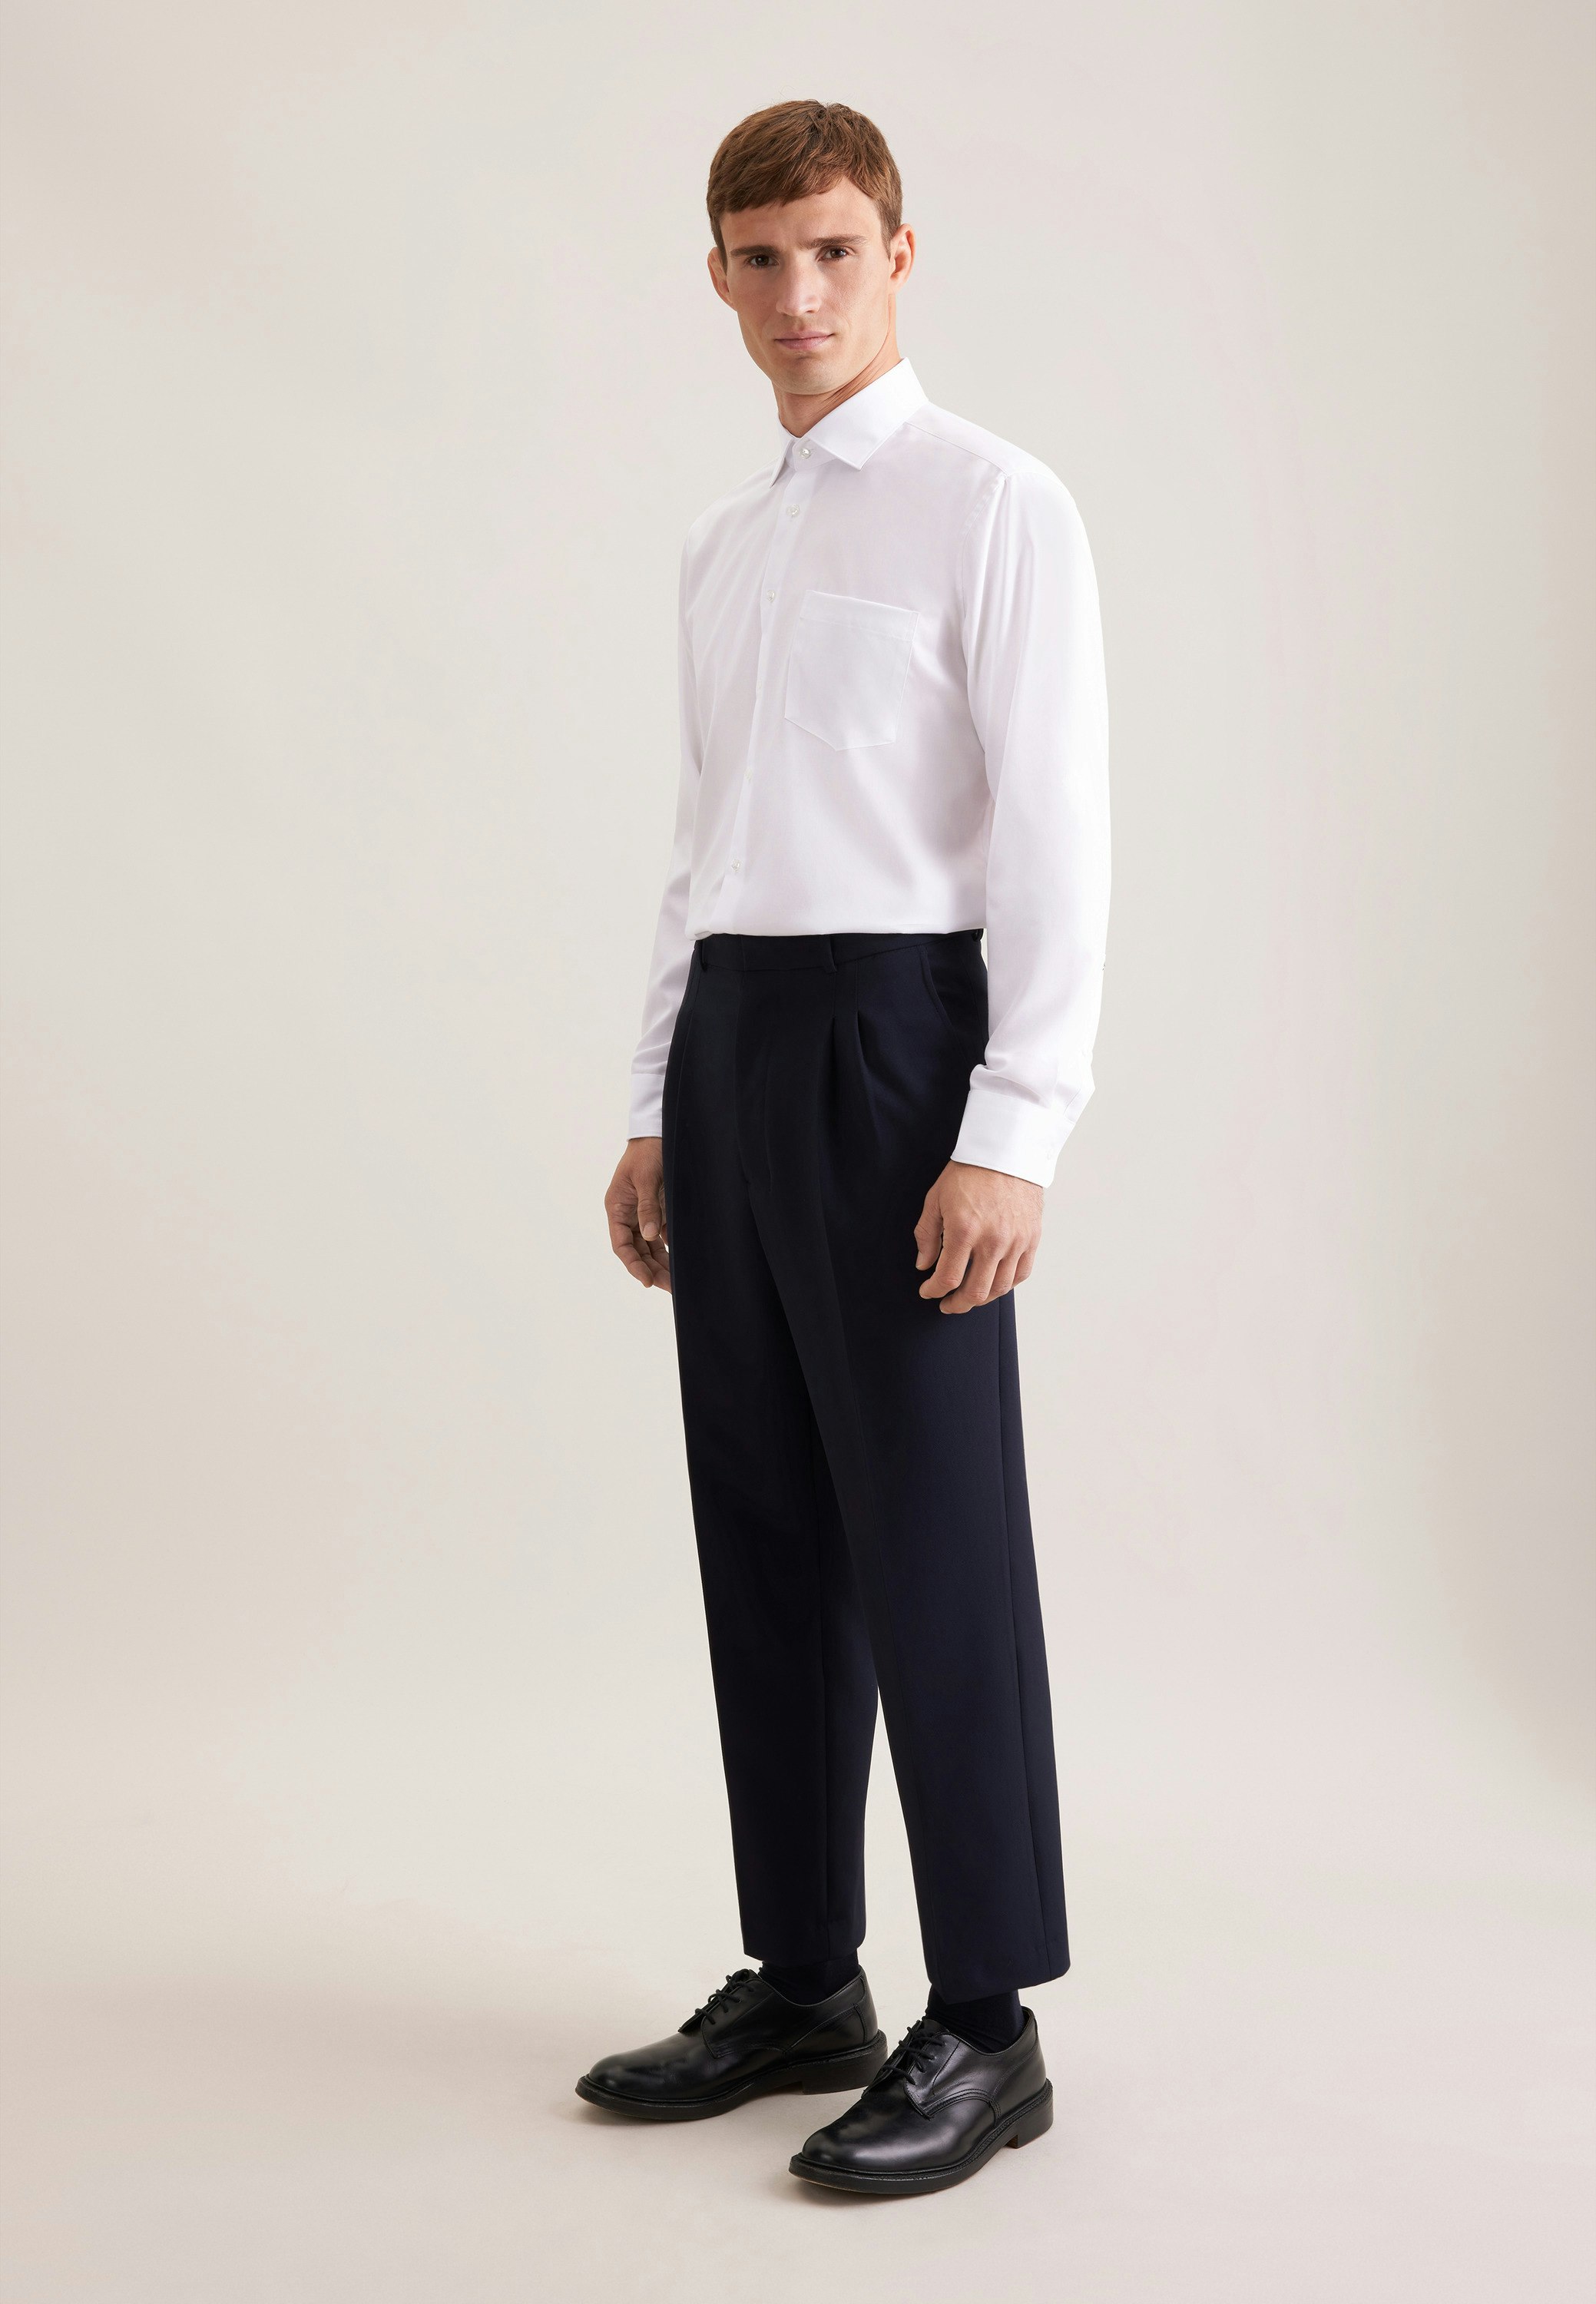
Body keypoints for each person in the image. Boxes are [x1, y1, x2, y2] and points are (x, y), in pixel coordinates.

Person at [579, 98, 1110, 2197]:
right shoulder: (728, 544)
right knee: (768, 1527)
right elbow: (701, 842)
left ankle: (987, 2020)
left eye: (831, 250)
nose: (796, 294)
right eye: (757, 259)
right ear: (717, 279)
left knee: (934, 1535)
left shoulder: (995, 503)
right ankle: (805, 1974)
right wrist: (655, 1101)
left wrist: (1015, 1127)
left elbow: (1056, 831)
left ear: (898, 253)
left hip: (902, 1045)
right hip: (737, 1041)